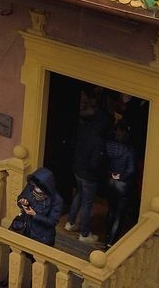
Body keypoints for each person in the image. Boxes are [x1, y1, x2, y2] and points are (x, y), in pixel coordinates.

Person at [65, 94, 106, 242]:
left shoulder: (82, 130)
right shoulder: (99, 141)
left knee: (79, 194)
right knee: (87, 203)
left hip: (78, 170)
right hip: (88, 175)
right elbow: (95, 164)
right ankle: (84, 233)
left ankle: (70, 223)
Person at [9, 166, 63, 247]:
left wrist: (35, 215)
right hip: (24, 229)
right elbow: (20, 199)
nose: (34, 189)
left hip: (41, 237)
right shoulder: (32, 185)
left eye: (38, 188)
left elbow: (52, 222)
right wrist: (23, 202)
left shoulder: (57, 200)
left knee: (36, 258)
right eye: (34, 186)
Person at [104, 122, 138, 244]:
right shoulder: (130, 150)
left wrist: (112, 175)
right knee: (119, 215)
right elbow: (131, 169)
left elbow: (105, 162)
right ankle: (111, 242)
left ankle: (107, 236)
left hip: (110, 181)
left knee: (111, 210)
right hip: (122, 185)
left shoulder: (109, 146)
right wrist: (121, 177)